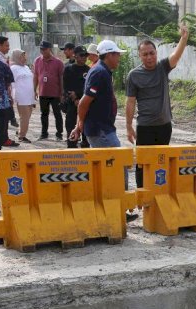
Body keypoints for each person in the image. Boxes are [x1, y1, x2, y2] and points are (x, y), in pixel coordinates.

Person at [69, 40, 137, 222]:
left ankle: (110, 208)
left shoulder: (102, 71)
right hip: (101, 130)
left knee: (108, 169)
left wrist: (80, 125)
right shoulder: (100, 73)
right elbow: (84, 102)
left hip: (102, 128)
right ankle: (117, 209)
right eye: (117, 54)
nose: (119, 58)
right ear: (109, 55)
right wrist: (79, 125)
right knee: (116, 167)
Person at [125, 23, 189, 187]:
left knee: (161, 161)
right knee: (142, 161)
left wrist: (184, 38)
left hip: (164, 126)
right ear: (140, 56)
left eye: (152, 53)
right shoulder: (134, 75)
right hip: (145, 126)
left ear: (156, 53)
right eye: (145, 54)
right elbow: (130, 101)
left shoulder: (162, 68)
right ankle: (142, 192)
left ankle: (158, 190)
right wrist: (128, 126)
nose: (149, 57)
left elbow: (175, 56)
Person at [33, 40, 65, 140]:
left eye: (44, 49)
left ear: (49, 49)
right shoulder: (37, 61)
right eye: (41, 49)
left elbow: (61, 78)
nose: (42, 51)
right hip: (43, 92)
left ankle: (59, 134)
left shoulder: (58, 62)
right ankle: (44, 133)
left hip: (55, 93)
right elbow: (36, 76)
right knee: (44, 114)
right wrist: (34, 90)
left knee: (57, 114)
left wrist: (62, 93)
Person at [63, 45, 90, 148]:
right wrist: (74, 98)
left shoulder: (89, 70)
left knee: (85, 129)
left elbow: (88, 88)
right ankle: (71, 148)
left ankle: (85, 148)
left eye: (85, 55)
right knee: (71, 126)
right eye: (81, 55)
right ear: (75, 56)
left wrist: (80, 98)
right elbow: (66, 87)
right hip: (72, 103)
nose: (84, 57)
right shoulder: (69, 69)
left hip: (85, 103)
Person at [9, 49, 34, 144]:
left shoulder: (26, 68)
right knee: (25, 116)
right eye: (22, 56)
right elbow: (12, 83)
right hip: (21, 95)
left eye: (25, 56)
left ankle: (20, 131)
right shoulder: (13, 68)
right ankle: (22, 136)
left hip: (29, 96)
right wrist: (13, 96)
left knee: (27, 116)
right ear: (17, 57)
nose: (24, 58)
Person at [0, 35, 20, 130]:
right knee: (2, 116)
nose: (8, 48)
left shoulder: (2, 57)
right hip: (0, 91)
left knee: (4, 116)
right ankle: (2, 138)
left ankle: (4, 137)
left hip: (4, 89)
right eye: (6, 45)